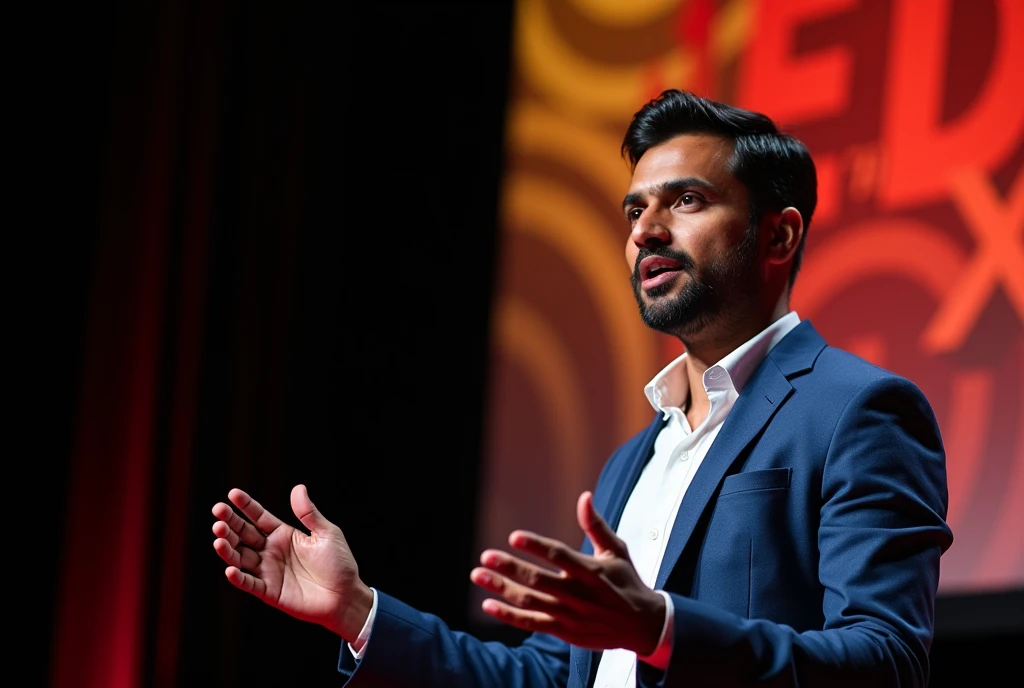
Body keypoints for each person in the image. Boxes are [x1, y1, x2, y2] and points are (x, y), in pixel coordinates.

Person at [211, 89, 953, 687]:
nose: (646, 231)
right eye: (635, 209)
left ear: (779, 237)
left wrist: (660, 629)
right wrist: (361, 613)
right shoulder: (634, 459)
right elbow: (546, 675)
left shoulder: (859, 410)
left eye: (686, 201)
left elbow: (884, 662)